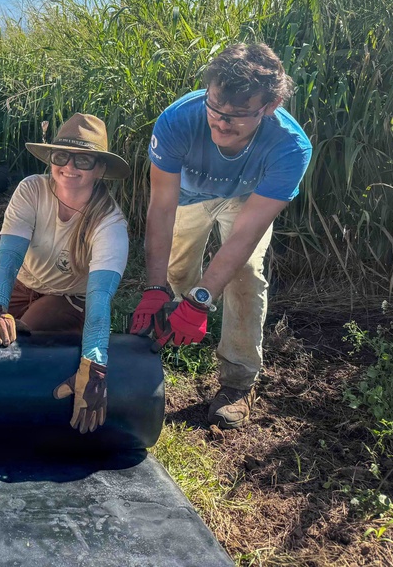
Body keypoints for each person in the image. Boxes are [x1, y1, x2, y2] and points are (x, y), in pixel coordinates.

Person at [130, 43, 312, 429]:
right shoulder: (178, 120)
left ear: (271, 104)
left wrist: (202, 299)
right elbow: (161, 207)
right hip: (189, 197)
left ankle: (238, 381)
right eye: (214, 107)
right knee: (178, 274)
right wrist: (155, 287)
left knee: (244, 272)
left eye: (238, 114)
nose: (221, 122)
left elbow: (246, 234)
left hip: (247, 198)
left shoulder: (290, 147)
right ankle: (168, 330)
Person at [0, 114, 130, 433]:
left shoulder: (110, 224)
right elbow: (9, 258)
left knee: (20, 343)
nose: (69, 166)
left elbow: (100, 297)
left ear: (99, 169)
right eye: (61, 156)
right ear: (51, 158)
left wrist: (95, 365)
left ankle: (2, 416)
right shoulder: (32, 190)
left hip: (67, 298)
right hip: (21, 281)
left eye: (83, 159)